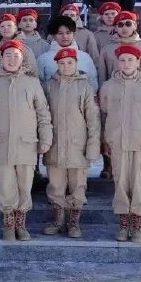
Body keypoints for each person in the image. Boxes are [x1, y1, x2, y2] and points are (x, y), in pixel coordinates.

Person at [0, 40, 52, 241]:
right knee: (5, 184)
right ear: (1, 58)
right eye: (8, 55)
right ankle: (8, 223)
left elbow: (43, 113)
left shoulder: (32, 82)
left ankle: (21, 223)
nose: (11, 60)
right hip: (1, 142)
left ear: (22, 59)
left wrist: (46, 138)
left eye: (16, 56)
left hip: (26, 143)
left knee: (25, 184)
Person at [99, 44, 141, 243]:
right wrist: (104, 139)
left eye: (131, 60)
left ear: (138, 62)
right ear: (117, 63)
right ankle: (123, 223)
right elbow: (103, 115)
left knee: (139, 184)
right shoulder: (108, 87)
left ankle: (137, 223)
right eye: (122, 60)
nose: (126, 63)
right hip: (117, 144)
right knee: (120, 183)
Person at [41, 47, 100, 238]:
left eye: (70, 63)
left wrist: (92, 145)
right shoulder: (49, 86)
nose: (66, 66)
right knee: (56, 184)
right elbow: (42, 115)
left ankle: (74, 222)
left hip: (78, 145)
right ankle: (57, 219)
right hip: (55, 144)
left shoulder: (85, 87)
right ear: (56, 65)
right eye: (62, 63)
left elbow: (93, 120)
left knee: (78, 185)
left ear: (76, 63)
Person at [36, 15, 98, 92]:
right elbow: (39, 86)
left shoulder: (85, 57)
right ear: (53, 36)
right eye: (60, 33)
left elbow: (93, 82)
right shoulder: (43, 59)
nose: (65, 36)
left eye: (68, 33)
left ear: (73, 34)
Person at [97, 10, 141, 87]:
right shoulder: (107, 50)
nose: (124, 28)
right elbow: (102, 76)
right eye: (120, 25)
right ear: (115, 28)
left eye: (128, 24)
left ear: (135, 26)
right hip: (115, 90)